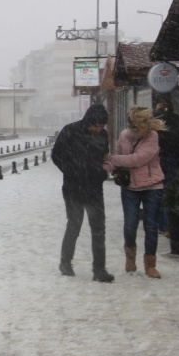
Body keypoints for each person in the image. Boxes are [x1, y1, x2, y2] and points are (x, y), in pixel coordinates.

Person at [51, 104, 114, 283]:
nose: (98, 129)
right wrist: (71, 170)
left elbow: (104, 156)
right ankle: (65, 262)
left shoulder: (103, 136)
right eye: (95, 125)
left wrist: (103, 171)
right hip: (73, 187)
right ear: (88, 121)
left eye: (101, 126)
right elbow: (56, 155)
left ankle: (99, 269)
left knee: (99, 228)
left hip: (94, 187)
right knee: (74, 224)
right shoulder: (70, 131)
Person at [103, 106, 165, 279]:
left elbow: (138, 159)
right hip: (130, 187)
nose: (133, 127)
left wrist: (112, 158)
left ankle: (150, 264)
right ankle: (130, 258)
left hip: (152, 186)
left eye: (136, 124)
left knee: (151, 227)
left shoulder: (152, 136)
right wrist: (106, 166)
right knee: (130, 225)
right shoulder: (124, 135)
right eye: (131, 123)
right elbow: (119, 159)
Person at [154, 102, 179, 236]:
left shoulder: (154, 123)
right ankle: (168, 226)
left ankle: (161, 225)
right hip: (176, 158)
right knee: (171, 192)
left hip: (158, 160)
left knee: (158, 192)